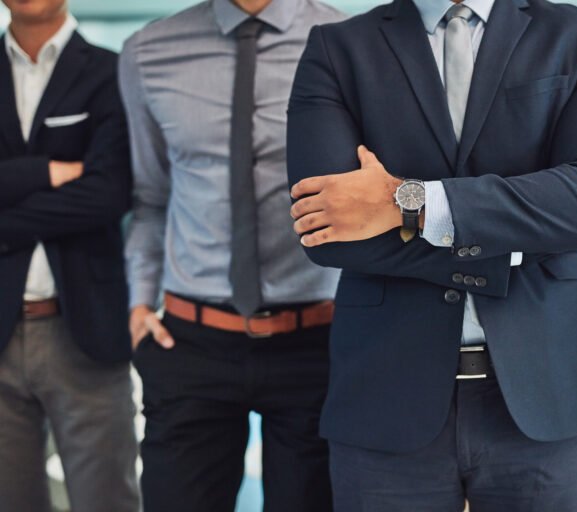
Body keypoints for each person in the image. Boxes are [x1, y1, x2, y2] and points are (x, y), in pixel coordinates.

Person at [287, 0, 577, 509]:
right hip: (385, 397)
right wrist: (514, 249)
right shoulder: (338, 48)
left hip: (546, 393)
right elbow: (327, 228)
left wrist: (407, 202)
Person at [119, 0, 344, 510]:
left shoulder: (347, 42)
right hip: (190, 343)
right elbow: (151, 200)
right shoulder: (147, 52)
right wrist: (138, 304)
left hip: (319, 342)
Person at [0, 0, 140, 511]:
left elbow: (108, 193)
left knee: (108, 500)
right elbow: (85, 189)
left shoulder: (111, 71)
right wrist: (51, 172)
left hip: (83, 329)